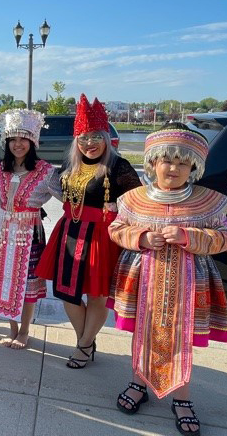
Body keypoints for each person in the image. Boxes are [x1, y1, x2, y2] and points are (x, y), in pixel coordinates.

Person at [108, 122, 227, 436]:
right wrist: (141, 238)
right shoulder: (133, 199)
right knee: (143, 331)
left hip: (191, 286)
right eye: (167, 160)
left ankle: (182, 397)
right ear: (152, 163)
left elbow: (225, 237)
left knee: (182, 337)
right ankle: (139, 383)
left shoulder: (210, 201)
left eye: (182, 162)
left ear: (194, 166)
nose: (174, 168)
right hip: (143, 283)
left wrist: (189, 235)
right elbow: (116, 230)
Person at [36, 94, 141, 368]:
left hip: (101, 237)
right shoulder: (71, 163)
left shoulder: (120, 166)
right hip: (69, 231)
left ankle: (83, 345)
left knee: (96, 293)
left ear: (105, 137)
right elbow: (62, 194)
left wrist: (115, 207)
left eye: (95, 136)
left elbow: (138, 201)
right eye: (83, 137)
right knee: (64, 291)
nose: (89, 143)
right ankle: (86, 340)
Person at [0, 108, 61, 349]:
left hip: (30, 233)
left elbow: (67, 198)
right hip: (3, 233)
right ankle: (13, 328)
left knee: (27, 283)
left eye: (23, 138)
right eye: (13, 139)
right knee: (6, 280)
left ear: (33, 141)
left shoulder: (46, 172)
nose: (18, 144)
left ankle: (25, 331)